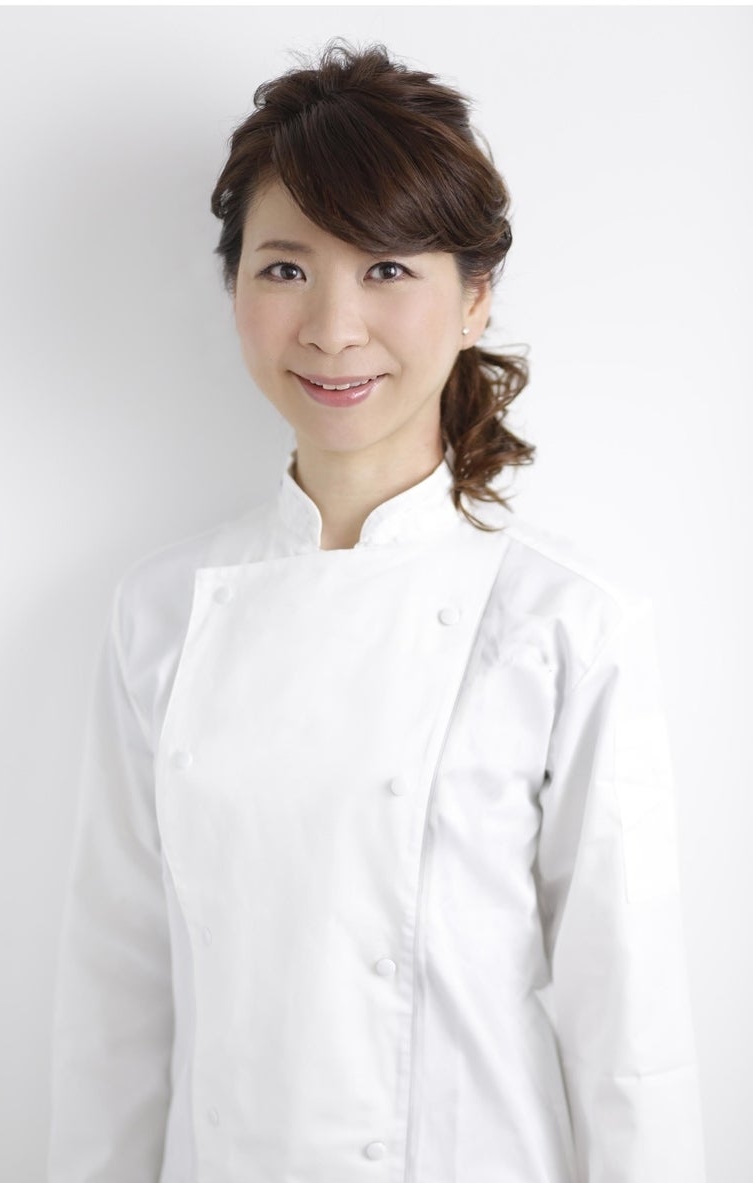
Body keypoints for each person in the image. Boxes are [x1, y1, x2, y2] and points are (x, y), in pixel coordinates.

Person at [48, 42, 705, 1183]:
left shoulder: (565, 624)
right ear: (235, 288)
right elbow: (116, 1004)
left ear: (475, 297)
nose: (333, 327)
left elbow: (630, 1037)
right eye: (286, 269)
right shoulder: (159, 613)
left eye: (388, 268)